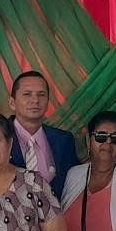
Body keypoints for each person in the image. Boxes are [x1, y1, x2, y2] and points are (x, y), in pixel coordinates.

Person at [7, 69, 78, 197]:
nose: (35, 100)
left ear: (48, 102)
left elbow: (74, 184)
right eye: (27, 94)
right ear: (12, 103)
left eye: (41, 94)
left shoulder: (63, 140)